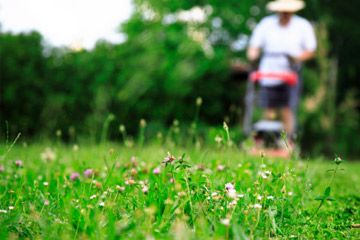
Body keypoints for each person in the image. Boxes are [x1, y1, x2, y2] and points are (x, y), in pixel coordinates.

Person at [247, 0, 316, 142]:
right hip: (268, 73)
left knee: (287, 109)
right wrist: (252, 55)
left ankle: (287, 142)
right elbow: (254, 46)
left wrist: (297, 58)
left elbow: (310, 50)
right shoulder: (266, 24)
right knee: (268, 109)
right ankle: (262, 143)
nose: (285, 14)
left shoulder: (302, 25)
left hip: (290, 74)